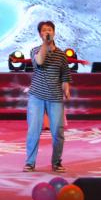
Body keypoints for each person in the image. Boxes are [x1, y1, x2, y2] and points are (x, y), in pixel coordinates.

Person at [24, 20, 71, 173]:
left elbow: (65, 76)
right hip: (37, 96)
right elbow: (40, 61)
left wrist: (66, 90)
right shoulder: (35, 50)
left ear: (54, 32)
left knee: (58, 132)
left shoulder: (62, 55)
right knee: (34, 130)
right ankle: (30, 162)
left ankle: (56, 162)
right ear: (40, 34)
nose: (47, 32)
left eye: (49, 29)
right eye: (44, 30)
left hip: (55, 97)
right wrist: (46, 43)